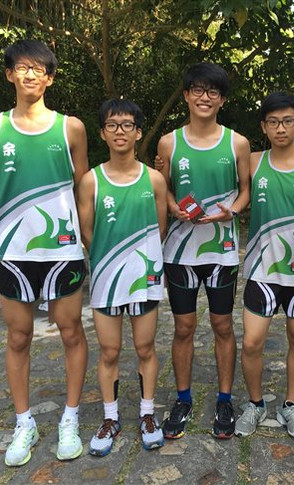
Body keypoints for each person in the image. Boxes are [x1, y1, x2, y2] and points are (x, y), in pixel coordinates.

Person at [0, 40, 89, 466]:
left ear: (50, 78)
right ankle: (24, 422)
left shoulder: (71, 128)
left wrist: (89, 238)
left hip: (63, 250)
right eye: (22, 67)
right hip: (12, 250)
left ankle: (70, 418)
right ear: (10, 75)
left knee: (71, 332)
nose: (30, 74)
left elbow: (84, 188)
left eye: (38, 69)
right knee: (18, 337)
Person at [157, 62, 250, 439]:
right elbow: (161, 185)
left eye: (213, 91)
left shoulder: (237, 143)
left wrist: (234, 210)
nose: (205, 97)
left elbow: (245, 189)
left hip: (222, 251)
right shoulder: (169, 142)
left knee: (223, 325)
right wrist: (172, 207)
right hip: (180, 252)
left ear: (222, 99)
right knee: (183, 327)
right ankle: (183, 399)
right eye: (197, 89)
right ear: (186, 95)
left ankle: (225, 399)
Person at [234, 92, 294, 440]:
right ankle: (255, 404)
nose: (280, 128)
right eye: (273, 122)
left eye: (287, 121)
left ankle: (290, 405)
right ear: (263, 126)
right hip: (260, 268)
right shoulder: (252, 162)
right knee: (251, 343)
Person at [77, 99, 167, 456]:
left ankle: (147, 414)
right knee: (110, 350)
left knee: (145, 347)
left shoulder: (154, 179)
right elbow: (87, 233)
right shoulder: (90, 181)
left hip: (144, 277)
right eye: (112, 125)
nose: (120, 131)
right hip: (106, 278)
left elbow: (160, 229)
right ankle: (110, 418)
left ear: (138, 132)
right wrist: (112, 260)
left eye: (127, 125)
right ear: (102, 133)